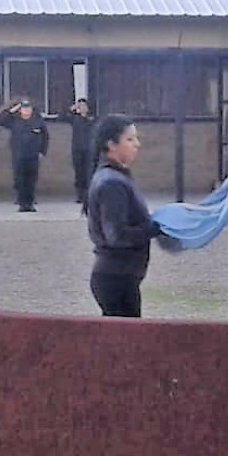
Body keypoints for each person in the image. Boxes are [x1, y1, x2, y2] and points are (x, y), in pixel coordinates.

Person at [85, 114, 158, 317]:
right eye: (130, 139)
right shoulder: (112, 183)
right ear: (111, 144)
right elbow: (117, 235)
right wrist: (154, 227)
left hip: (120, 276)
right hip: (116, 277)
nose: (137, 144)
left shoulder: (115, 177)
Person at [0, 100, 49, 212]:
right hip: (19, 155)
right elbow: (1, 120)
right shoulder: (14, 121)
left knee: (31, 180)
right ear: (20, 110)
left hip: (33, 155)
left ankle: (30, 203)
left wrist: (42, 151)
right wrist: (13, 109)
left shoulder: (38, 122)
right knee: (19, 180)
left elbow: (45, 137)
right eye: (24, 108)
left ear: (31, 109)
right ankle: (22, 203)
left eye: (28, 108)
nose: (26, 110)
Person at [59, 99, 96, 205]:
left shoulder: (92, 119)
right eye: (80, 106)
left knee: (89, 173)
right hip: (77, 150)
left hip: (89, 150)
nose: (82, 108)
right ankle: (80, 196)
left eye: (84, 106)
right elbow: (61, 117)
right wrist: (72, 109)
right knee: (79, 173)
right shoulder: (75, 119)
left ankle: (89, 195)